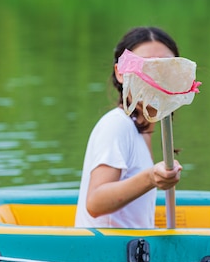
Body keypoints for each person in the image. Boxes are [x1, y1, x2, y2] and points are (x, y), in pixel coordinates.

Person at [74, 26, 183, 228]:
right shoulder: (117, 125)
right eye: (145, 68)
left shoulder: (143, 131)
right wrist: (151, 178)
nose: (155, 78)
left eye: (166, 68)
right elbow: (95, 202)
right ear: (121, 73)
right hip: (108, 254)